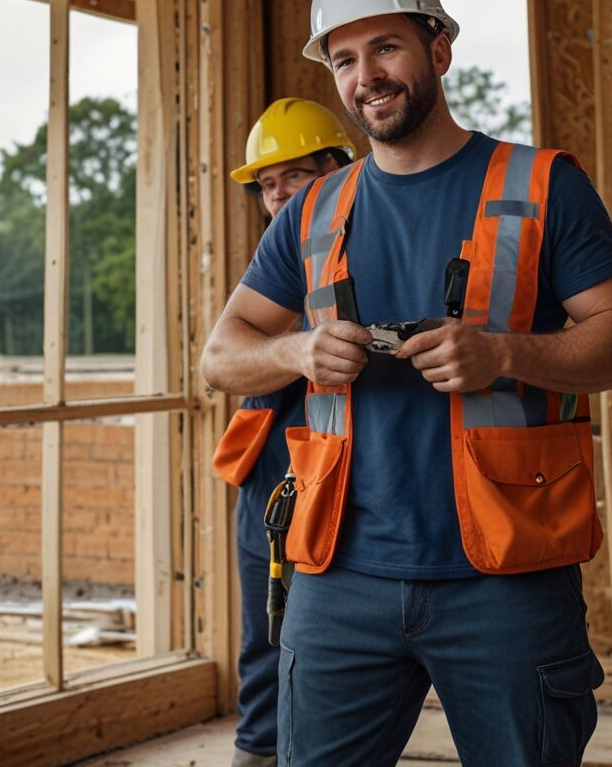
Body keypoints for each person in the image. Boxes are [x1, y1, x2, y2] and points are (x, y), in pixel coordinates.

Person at [201, 0, 612, 767]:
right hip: (340, 574)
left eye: (386, 47)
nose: (366, 76)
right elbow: (221, 356)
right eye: (345, 59)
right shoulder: (312, 210)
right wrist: (299, 349)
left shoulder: (543, 185)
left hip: (506, 574)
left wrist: (504, 351)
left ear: (439, 50)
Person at [213, 97, 354, 767]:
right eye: (266, 185)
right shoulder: (274, 264)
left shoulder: (356, 252)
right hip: (269, 476)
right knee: (265, 637)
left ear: (335, 171)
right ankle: (256, 751)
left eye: (291, 176)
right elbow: (220, 361)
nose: (276, 196)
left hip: (344, 476)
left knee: (330, 650)